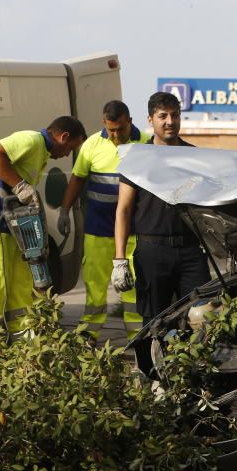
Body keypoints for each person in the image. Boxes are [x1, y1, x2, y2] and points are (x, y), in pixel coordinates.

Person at [0, 116, 87, 337]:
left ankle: (22, 346)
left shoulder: (41, 151)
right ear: (63, 136)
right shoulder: (31, 140)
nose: (67, 155)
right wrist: (19, 185)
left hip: (7, 223)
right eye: (71, 148)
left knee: (21, 282)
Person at [112, 92, 210, 324]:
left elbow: (207, 205)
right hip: (152, 251)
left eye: (175, 115)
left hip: (190, 252)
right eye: (162, 116)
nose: (170, 121)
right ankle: (151, 362)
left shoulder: (195, 157)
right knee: (154, 322)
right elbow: (123, 210)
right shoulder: (137, 159)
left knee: (204, 315)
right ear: (150, 120)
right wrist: (119, 259)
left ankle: (194, 362)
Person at [59, 101, 148, 340]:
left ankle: (137, 338)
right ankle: (89, 336)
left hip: (134, 230)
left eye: (120, 129)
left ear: (129, 121)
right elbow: (77, 179)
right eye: (111, 130)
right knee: (95, 287)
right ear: (104, 124)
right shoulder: (92, 144)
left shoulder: (147, 143)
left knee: (134, 288)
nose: (116, 134)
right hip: (98, 229)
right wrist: (64, 211)